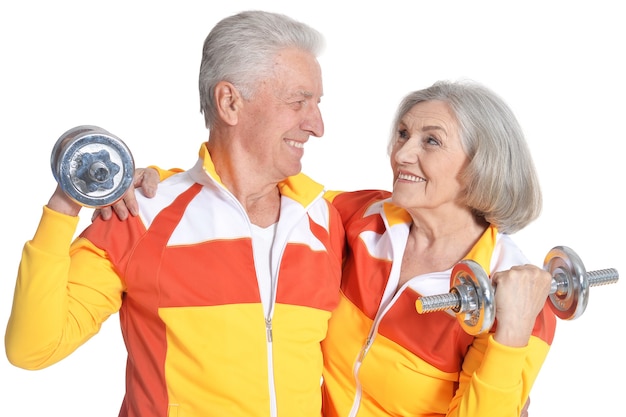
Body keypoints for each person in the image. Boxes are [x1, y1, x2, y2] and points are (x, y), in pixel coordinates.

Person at [127, 80, 556, 416]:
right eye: (403, 134)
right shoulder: (360, 217)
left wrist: (510, 337)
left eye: (431, 140)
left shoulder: (519, 300)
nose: (402, 154)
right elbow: (251, 190)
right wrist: (160, 183)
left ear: (484, 163)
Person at [5, 10, 345, 417]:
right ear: (230, 102)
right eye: (298, 102)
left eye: (317, 103)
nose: (317, 125)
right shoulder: (142, 215)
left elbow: (429, 216)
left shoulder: (328, 219)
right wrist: (67, 202)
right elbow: (33, 348)